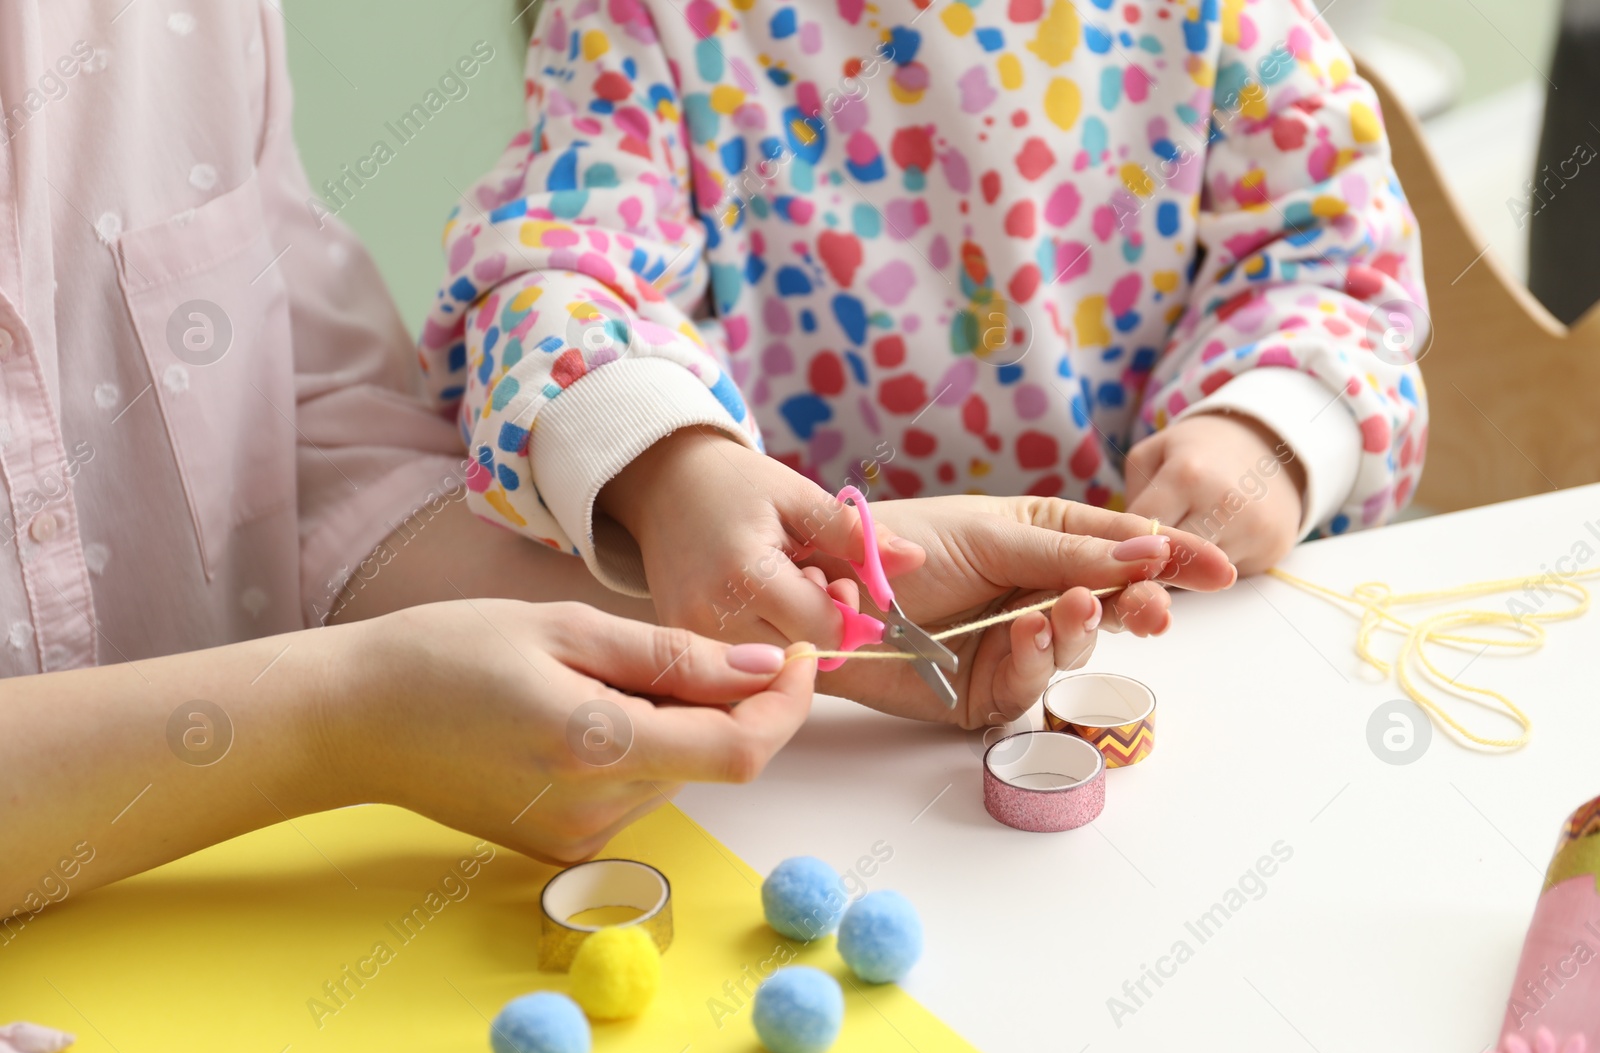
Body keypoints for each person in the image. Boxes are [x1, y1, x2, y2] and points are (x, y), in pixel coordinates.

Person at [0, 1, 1234, 910]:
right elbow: (550, 267)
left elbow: (303, 434)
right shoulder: (651, 32)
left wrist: (761, 605)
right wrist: (339, 714)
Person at [417, 0, 1429, 654]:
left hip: (1161, 644)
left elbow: (1335, 264)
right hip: (806, 661)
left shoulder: (1220, 18)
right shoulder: (641, 23)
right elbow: (553, 276)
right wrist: (667, 470)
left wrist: (1270, 426)